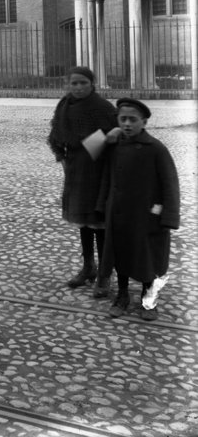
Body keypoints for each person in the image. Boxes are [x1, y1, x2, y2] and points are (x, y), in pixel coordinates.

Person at [97, 97, 180, 321]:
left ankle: (148, 299)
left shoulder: (155, 148)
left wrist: (169, 216)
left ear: (144, 122)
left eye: (133, 120)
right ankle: (122, 295)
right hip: (119, 213)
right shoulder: (114, 145)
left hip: (146, 216)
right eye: (122, 119)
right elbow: (89, 153)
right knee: (121, 254)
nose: (127, 124)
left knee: (147, 258)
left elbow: (170, 183)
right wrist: (106, 137)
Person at [47, 66, 119, 296]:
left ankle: (105, 274)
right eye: (74, 83)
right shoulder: (64, 106)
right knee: (83, 222)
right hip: (76, 169)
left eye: (83, 83)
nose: (78, 88)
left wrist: (89, 146)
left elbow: (114, 133)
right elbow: (56, 133)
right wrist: (63, 155)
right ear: (67, 84)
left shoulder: (101, 107)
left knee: (99, 223)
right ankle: (88, 266)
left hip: (99, 170)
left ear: (92, 84)